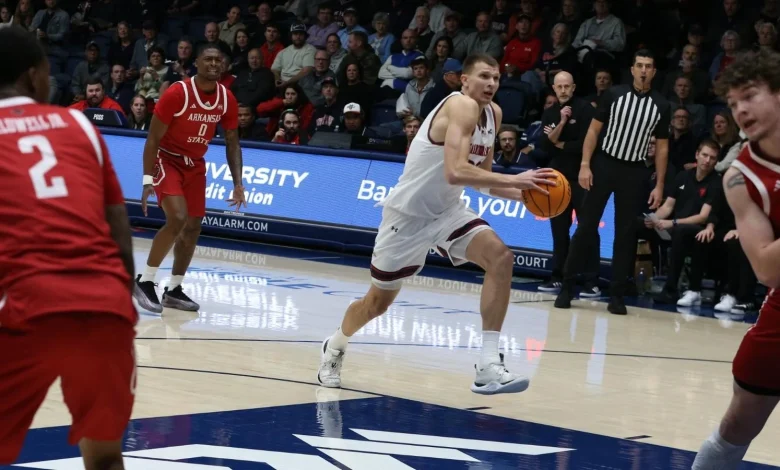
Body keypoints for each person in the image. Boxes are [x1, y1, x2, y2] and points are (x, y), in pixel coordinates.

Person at [317, 53, 557, 394]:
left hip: (447, 211)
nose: (492, 83)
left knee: (501, 258)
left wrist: (523, 195)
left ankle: (488, 365)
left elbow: (480, 180)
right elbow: (455, 171)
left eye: (497, 78)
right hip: (408, 215)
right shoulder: (461, 105)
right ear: (465, 80)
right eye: (485, 76)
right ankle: (336, 345)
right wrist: (519, 180)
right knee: (376, 304)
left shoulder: (494, 114)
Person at [0, 26, 136, 468]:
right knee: (105, 457)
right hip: (104, 307)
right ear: (35, 76)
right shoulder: (79, 124)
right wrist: (122, 301)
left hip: (24, 306)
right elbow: (118, 229)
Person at [691, 48, 780, 469]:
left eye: (750, 95)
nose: (740, 109)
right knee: (739, 424)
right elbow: (766, 267)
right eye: (732, 103)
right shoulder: (739, 177)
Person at [554, 49, 671, 315]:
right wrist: (585, 164)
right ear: (632, 69)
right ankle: (567, 286)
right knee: (585, 227)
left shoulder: (662, 105)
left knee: (626, 234)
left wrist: (660, 184)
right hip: (604, 164)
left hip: (635, 171)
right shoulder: (614, 94)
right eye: (639, 65)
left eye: (648, 66)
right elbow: (593, 131)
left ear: (654, 71)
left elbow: (662, 148)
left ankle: (616, 294)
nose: (643, 70)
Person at [134, 43, 246, 314]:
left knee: (194, 226)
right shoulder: (178, 92)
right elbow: (152, 139)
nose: (214, 64)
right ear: (196, 63)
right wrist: (147, 179)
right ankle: (145, 281)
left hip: (195, 164)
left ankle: (174, 289)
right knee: (178, 218)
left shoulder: (226, 98)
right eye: (208, 59)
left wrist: (238, 183)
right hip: (167, 158)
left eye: (219, 60)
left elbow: (232, 141)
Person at [538, 71, 600, 295]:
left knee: (587, 229)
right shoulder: (550, 113)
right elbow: (544, 146)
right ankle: (558, 276)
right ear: (554, 89)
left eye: (567, 86)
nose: (563, 90)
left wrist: (559, 143)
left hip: (583, 178)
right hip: (558, 179)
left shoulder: (586, 110)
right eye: (559, 87)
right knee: (559, 229)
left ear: (573, 87)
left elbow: (586, 144)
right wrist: (562, 123)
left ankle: (591, 280)